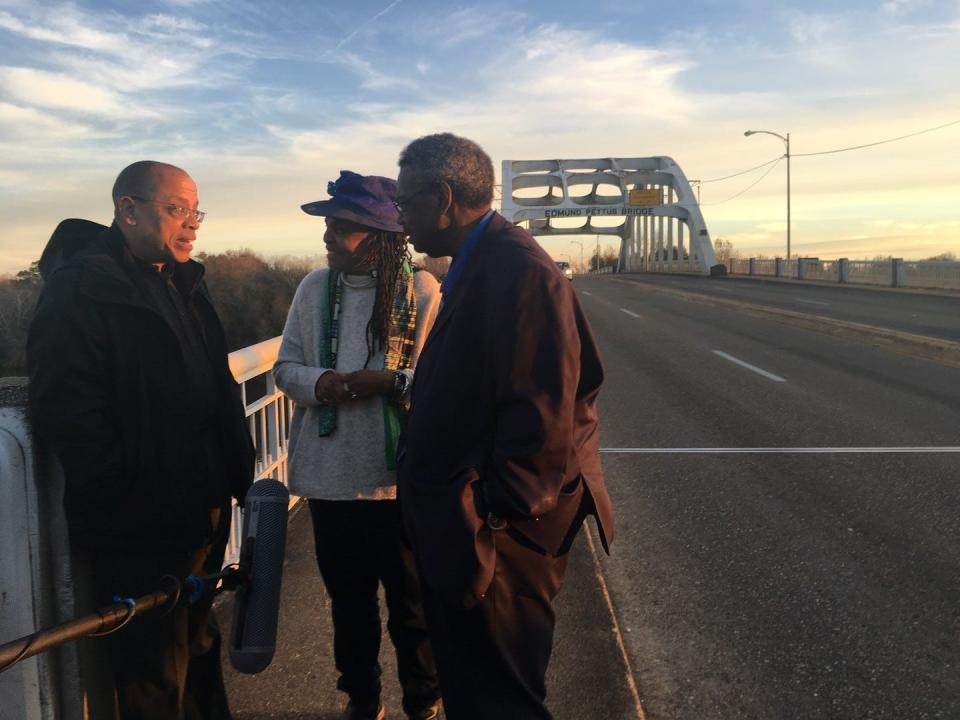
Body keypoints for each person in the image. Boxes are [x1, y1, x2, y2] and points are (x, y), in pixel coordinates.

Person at [394, 133, 616, 720]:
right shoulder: (483, 262)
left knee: (500, 699)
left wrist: (491, 516)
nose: (401, 217)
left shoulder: (516, 271)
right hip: (483, 529)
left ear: (443, 198)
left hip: (502, 542)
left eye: (406, 202)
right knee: (477, 689)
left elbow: (542, 417)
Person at [27, 160, 255, 720]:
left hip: (200, 508)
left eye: (195, 212)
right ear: (127, 209)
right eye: (176, 209)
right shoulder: (80, 289)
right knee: (151, 673)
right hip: (139, 523)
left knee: (199, 645)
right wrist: (125, 497)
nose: (192, 225)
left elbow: (210, 381)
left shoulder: (182, 281)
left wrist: (232, 473)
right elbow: (68, 411)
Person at [273, 171, 442, 720]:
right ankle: (362, 700)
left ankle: (423, 700)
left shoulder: (421, 291)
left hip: (395, 482)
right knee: (349, 606)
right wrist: (319, 383)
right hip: (329, 481)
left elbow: (442, 383)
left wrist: (390, 383)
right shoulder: (312, 289)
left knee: (412, 606)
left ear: (379, 235)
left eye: (341, 226)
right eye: (328, 224)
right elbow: (286, 368)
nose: (327, 235)